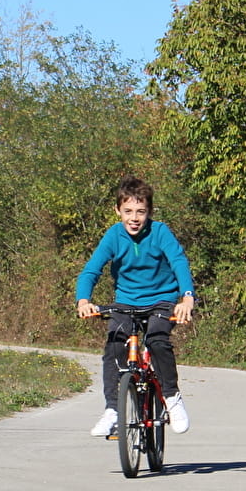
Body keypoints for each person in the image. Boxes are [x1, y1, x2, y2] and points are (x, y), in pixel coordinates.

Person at [75, 176, 197, 437]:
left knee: (157, 339)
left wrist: (187, 297)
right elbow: (91, 271)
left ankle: (172, 397)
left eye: (140, 212)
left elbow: (179, 262)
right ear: (117, 210)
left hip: (161, 299)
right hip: (126, 302)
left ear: (149, 212)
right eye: (128, 211)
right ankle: (112, 410)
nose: (134, 218)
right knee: (114, 344)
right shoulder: (113, 235)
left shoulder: (160, 232)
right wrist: (83, 300)